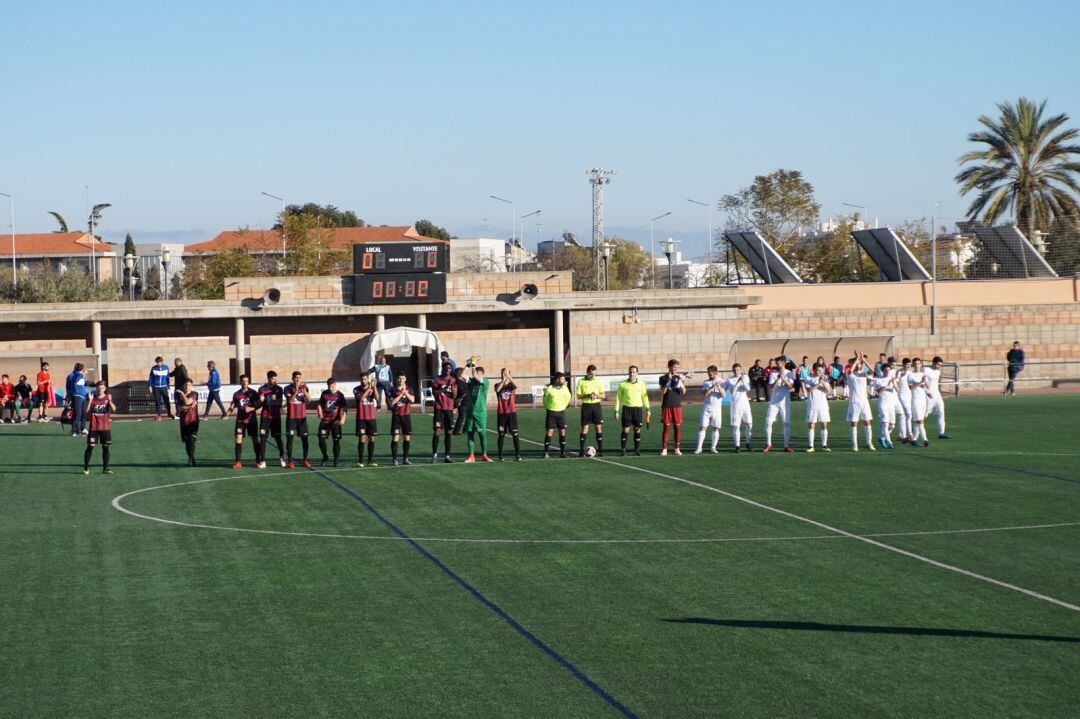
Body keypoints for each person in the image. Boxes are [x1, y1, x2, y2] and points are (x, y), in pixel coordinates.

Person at [614, 365, 650, 457]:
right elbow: (618, 398)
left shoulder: (641, 384)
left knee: (637, 430)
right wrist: (616, 410)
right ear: (628, 373)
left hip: (638, 409)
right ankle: (623, 450)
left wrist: (648, 408)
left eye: (634, 372)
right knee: (625, 430)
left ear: (637, 373)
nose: (632, 374)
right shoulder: (623, 384)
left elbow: (645, 397)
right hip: (627, 409)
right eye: (630, 372)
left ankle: (637, 450)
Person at [227, 374, 261, 468]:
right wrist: (229, 411)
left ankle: (258, 460)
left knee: (255, 439)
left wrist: (252, 408)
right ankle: (238, 462)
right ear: (240, 382)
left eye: (246, 381)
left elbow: (259, 404)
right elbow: (233, 404)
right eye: (243, 381)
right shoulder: (236, 394)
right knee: (238, 439)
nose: (245, 383)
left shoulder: (253, 393)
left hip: (251, 420)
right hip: (240, 420)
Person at [83, 380, 116, 475]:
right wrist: (90, 401)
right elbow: (86, 411)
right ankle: (86, 467)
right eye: (98, 388)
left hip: (105, 428)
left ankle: (105, 468)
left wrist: (110, 401)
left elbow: (114, 409)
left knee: (105, 447)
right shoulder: (92, 398)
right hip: (94, 427)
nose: (100, 390)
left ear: (105, 389)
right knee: (90, 447)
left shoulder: (107, 398)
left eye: (102, 388)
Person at [658, 359, 689, 456]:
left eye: (677, 367)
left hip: (677, 405)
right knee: (666, 427)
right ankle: (664, 449)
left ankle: (677, 449)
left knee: (677, 427)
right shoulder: (663, 378)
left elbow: (684, 391)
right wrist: (669, 381)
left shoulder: (679, 377)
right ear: (669, 367)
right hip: (667, 405)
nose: (676, 369)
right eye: (674, 367)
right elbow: (663, 391)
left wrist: (681, 381)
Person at [845, 353, 876, 452]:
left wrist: (863, 360)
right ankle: (854, 444)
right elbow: (850, 370)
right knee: (854, 423)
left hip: (864, 402)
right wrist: (857, 360)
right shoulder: (850, 374)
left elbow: (872, 370)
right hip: (854, 401)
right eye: (857, 363)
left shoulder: (864, 373)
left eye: (860, 364)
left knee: (867, 422)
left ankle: (869, 443)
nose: (859, 365)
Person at [764, 357, 795, 453]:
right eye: (776, 363)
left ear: (783, 363)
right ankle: (768, 444)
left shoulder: (789, 373)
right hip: (774, 402)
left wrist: (784, 379)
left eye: (778, 363)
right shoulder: (773, 374)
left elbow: (790, 386)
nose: (776, 365)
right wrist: (777, 379)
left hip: (784, 402)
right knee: (769, 422)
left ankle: (786, 445)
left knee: (786, 423)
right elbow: (770, 387)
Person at [694, 365, 726, 454]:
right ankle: (699, 447)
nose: (709, 375)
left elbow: (724, 395)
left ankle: (713, 447)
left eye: (711, 374)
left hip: (717, 409)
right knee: (702, 427)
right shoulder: (706, 382)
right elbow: (705, 394)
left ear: (716, 373)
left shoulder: (722, 382)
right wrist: (712, 387)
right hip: (706, 407)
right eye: (708, 373)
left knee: (715, 428)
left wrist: (718, 386)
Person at [463, 363, 492, 462]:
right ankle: (471, 456)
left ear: (482, 374)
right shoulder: (472, 382)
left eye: (478, 373)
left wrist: (474, 365)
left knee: (482, 434)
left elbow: (475, 376)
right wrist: (467, 366)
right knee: (470, 433)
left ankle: (484, 455)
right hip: (470, 411)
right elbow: (462, 375)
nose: (475, 375)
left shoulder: (485, 381)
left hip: (480, 412)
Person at [257, 371, 286, 468]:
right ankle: (263, 461)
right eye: (273, 379)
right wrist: (260, 401)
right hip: (265, 417)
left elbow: (280, 403)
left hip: (276, 417)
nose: (275, 381)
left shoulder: (279, 389)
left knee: (278, 438)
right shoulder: (262, 389)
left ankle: (282, 457)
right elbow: (259, 404)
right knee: (263, 438)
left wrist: (275, 400)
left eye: (276, 379)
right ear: (268, 378)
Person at [722, 363, 754, 452]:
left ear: (740, 370)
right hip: (735, 405)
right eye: (735, 370)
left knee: (749, 424)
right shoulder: (729, 380)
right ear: (732, 370)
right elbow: (732, 391)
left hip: (745, 405)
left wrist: (742, 381)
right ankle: (737, 445)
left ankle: (748, 443)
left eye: (738, 370)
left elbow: (748, 389)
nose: (736, 372)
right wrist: (737, 381)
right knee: (736, 426)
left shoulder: (745, 377)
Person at [284, 371, 312, 469]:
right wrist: (295, 392)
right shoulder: (287, 388)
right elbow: (290, 401)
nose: (297, 379)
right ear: (292, 378)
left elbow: (309, 400)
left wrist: (305, 392)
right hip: (291, 417)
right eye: (296, 377)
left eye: (299, 377)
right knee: (290, 439)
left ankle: (305, 460)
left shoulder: (304, 388)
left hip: (302, 417)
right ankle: (290, 461)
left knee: (305, 439)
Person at [430, 362, 457, 463]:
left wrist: (452, 386)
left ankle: (447, 456)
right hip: (439, 409)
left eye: (449, 368)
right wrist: (445, 388)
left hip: (449, 410)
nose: (447, 370)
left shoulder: (453, 380)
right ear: (443, 369)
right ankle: (434, 455)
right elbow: (434, 392)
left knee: (448, 432)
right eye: (446, 368)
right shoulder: (437, 379)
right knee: (437, 431)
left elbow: (454, 396)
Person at [576, 364, 605, 457]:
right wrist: (588, 395)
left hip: (596, 406)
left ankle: (600, 450)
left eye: (594, 374)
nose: (592, 376)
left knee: (598, 427)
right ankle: (581, 451)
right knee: (585, 428)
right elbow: (578, 396)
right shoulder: (581, 381)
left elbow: (603, 395)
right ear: (587, 372)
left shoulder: (598, 381)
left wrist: (596, 395)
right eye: (591, 374)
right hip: (586, 406)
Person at [317, 378, 348, 467]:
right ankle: (325, 456)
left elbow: (345, 407)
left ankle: (336, 460)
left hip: (335, 421)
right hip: (325, 421)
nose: (330, 388)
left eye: (332, 386)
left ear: (335, 384)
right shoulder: (324, 393)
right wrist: (320, 412)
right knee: (321, 439)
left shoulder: (340, 395)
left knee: (336, 441)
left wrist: (343, 418)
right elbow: (319, 404)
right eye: (329, 387)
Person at [494, 368, 522, 461]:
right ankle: (500, 455)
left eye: (506, 373)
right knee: (501, 434)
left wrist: (509, 377)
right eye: (503, 373)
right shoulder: (497, 385)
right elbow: (497, 390)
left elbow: (516, 386)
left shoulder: (511, 385)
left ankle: (517, 454)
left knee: (515, 434)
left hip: (511, 413)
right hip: (501, 413)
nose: (505, 375)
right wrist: (503, 380)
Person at [542, 372, 571, 458]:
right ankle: (546, 452)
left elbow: (568, 398)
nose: (564, 380)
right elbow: (545, 400)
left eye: (564, 379)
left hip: (561, 413)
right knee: (549, 432)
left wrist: (563, 407)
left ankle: (563, 452)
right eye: (562, 379)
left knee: (562, 432)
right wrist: (549, 407)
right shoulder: (549, 389)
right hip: (551, 413)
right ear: (557, 379)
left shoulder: (565, 389)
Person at [804, 363, 832, 452]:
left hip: (823, 405)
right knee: (811, 425)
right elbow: (809, 390)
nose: (820, 372)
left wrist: (822, 381)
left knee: (824, 424)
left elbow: (828, 391)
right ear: (814, 370)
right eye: (818, 370)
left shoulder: (825, 378)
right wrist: (818, 384)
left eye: (821, 370)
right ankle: (811, 446)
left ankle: (824, 445)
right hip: (812, 405)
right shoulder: (808, 378)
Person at [353, 374, 379, 467]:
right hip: (361, 418)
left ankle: (370, 461)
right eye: (362, 379)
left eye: (365, 379)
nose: (363, 381)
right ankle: (360, 461)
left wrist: (374, 387)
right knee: (362, 438)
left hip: (371, 417)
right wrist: (369, 388)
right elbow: (361, 398)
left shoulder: (372, 387)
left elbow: (377, 398)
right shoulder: (356, 389)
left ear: (368, 379)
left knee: (372, 438)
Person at [388, 372, 415, 466]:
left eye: (402, 378)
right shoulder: (393, 389)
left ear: (405, 379)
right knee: (395, 437)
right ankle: (394, 459)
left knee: (406, 437)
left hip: (406, 416)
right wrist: (400, 395)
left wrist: (405, 392)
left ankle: (405, 459)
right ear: (397, 379)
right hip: (396, 416)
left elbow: (412, 400)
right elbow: (392, 402)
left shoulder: (409, 389)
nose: (401, 380)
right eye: (399, 378)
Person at [175, 379, 201, 466]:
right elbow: (179, 408)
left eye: (189, 385)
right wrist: (190, 407)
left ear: (192, 386)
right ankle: (192, 459)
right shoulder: (178, 396)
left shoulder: (194, 394)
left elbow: (187, 401)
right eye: (186, 385)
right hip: (183, 422)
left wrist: (182, 394)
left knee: (191, 440)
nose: (187, 386)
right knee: (187, 442)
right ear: (183, 386)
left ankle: (190, 461)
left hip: (193, 421)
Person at [907, 358, 931, 447]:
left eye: (918, 363)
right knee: (920, 421)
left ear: (921, 364)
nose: (917, 365)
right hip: (915, 400)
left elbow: (927, 386)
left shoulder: (923, 374)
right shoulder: (910, 375)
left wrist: (928, 392)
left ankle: (913, 439)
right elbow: (911, 387)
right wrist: (920, 382)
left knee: (919, 421)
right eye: (915, 364)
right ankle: (925, 439)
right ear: (913, 365)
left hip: (923, 400)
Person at [874, 362, 897, 449]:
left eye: (888, 370)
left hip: (891, 404)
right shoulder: (878, 380)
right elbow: (879, 392)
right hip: (883, 403)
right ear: (882, 371)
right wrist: (887, 384)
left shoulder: (892, 379)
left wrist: (894, 384)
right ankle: (889, 441)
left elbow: (897, 390)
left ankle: (882, 437)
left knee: (892, 425)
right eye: (885, 370)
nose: (887, 372)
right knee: (885, 423)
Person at [926, 356, 950, 439]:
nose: (939, 366)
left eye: (940, 365)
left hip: (937, 395)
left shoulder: (938, 371)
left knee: (941, 412)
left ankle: (941, 433)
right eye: (938, 364)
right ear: (933, 363)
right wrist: (927, 392)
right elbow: (924, 382)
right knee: (924, 414)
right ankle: (914, 432)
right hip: (929, 395)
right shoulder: (926, 370)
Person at [66, 363, 89, 436]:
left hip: (83, 396)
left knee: (83, 413)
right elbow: (74, 381)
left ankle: (83, 429)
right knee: (77, 414)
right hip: (76, 396)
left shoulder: (80, 375)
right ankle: (75, 430)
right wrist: (68, 397)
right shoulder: (73, 375)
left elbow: (84, 383)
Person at [895, 358, 915, 444]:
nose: (908, 366)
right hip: (901, 395)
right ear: (903, 364)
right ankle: (910, 434)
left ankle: (900, 434)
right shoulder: (899, 372)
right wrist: (899, 377)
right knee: (908, 414)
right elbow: (896, 382)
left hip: (909, 395)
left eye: (909, 364)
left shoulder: (910, 373)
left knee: (904, 415)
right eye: (907, 364)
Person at [452, 366, 468, 435]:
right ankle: (457, 430)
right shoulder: (459, 381)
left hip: (464, 401)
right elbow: (462, 391)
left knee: (464, 416)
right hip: (462, 401)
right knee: (462, 416)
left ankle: (465, 429)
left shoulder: (460, 381)